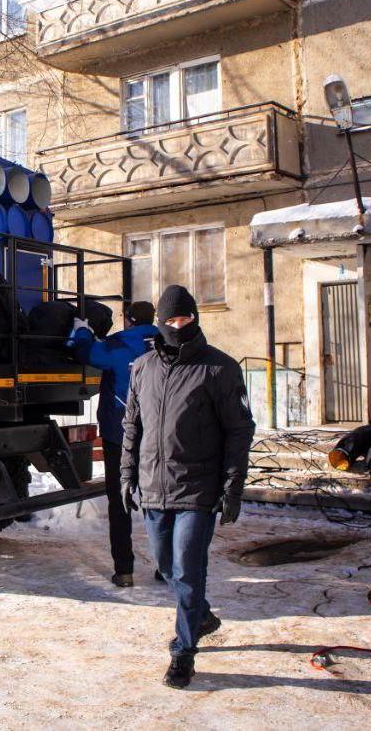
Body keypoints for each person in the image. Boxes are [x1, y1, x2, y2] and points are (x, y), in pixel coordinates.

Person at [120, 284, 255, 689]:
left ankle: (184, 652)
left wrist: (233, 487)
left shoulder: (219, 368)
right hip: (153, 486)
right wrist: (127, 475)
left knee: (187, 569)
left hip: (198, 488)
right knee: (166, 567)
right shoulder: (142, 368)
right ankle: (203, 616)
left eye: (186, 319)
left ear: (196, 319)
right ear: (160, 323)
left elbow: (239, 430)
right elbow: (132, 427)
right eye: (171, 320)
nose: (178, 327)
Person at [68, 301, 159, 588]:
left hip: (120, 435)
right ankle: (168, 565)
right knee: (160, 499)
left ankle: (124, 570)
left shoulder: (120, 344)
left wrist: (82, 330)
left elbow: (85, 352)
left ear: (128, 319)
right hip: (160, 435)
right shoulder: (169, 344)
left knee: (120, 502)